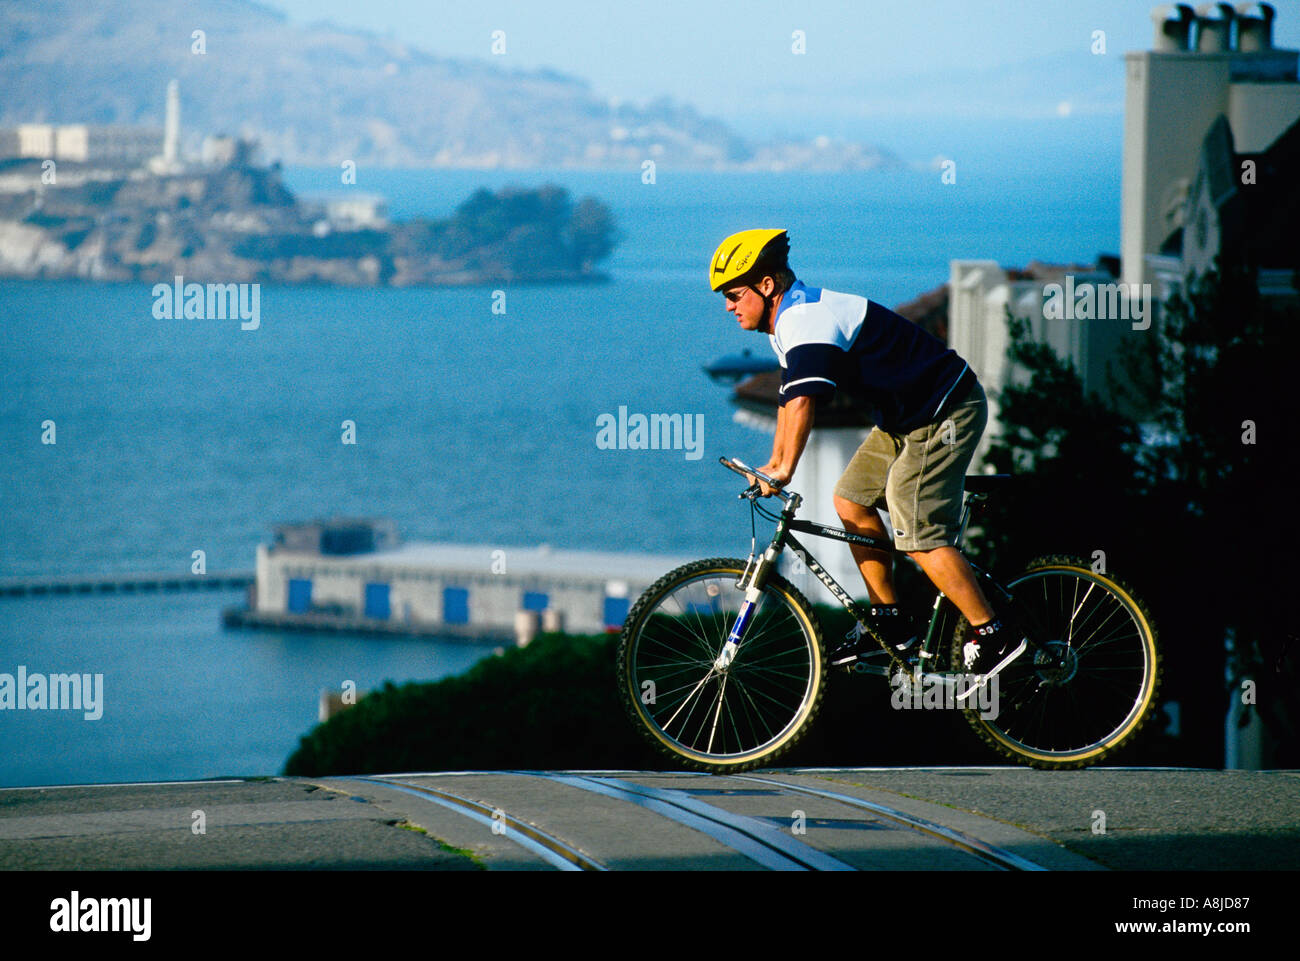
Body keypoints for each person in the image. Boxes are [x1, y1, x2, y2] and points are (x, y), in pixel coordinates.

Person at [708, 227, 1025, 681]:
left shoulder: (805, 319)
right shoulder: (789, 323)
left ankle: (993, 631)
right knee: (850, 498)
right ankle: (890, 622)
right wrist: (773, 465)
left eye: (734, 295)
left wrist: (782, 469)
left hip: (946, 411)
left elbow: (803, 403)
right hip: (906, 418)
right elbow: (787, 400)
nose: (728, 306)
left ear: (766, 285)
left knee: (915, 529)